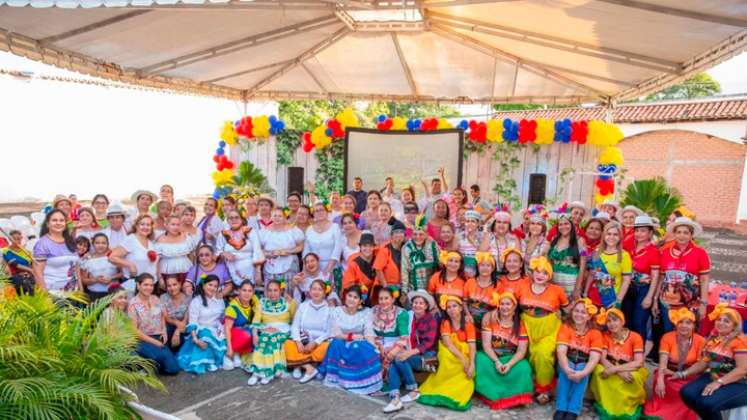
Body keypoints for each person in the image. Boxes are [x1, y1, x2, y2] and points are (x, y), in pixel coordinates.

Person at [679, 304, 747, 420]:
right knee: (686, 393)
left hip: (740, 383)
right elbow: (703, 363)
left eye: (726, 321)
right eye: (719, 319)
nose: (721, 323)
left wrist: (718, 382)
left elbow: (742, 369)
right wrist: (682, 374)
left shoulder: (740, 342)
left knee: (706, 403)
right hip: (716, 375)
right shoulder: (714, 340)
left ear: (734, 326)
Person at [518, 256, 569, 403]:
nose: (541, 275)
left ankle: (544, 389)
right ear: (532, 273)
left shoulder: (557, 290)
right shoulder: (522, 285)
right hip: (526, 326)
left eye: (545, 273)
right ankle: (526, 387)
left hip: (549, 329)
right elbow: (512, 304)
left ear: (550, 275)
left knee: (543, 354)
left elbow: (567, 309)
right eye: (538, 272)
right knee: (526, 354)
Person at [643, 307, 706, 420]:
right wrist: (661, 379)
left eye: (688, 323)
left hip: (689, 375)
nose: (684, 326)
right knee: (659, 379)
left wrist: (683, 374)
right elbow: (663, 362)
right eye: (680, 322)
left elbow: (700, 366)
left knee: (687, 392)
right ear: (675, 324)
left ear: (694, 325)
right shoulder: (667, 337)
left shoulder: (700, 340)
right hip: (669, 374)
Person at [475, 291, 534, 410]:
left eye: (508, 304)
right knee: (480, 359)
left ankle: (514, 397)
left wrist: (509, 364)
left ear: (514, 306)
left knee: (524, 367)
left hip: (510, 358)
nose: (505, 307)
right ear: (498, 306)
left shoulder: (521, 324)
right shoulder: (490, 320)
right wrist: (497, 362)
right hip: (492, 357)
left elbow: (521, 351)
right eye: (502, 304)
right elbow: (486, 346)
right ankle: (491, 394)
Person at [319, 285, 382, 394]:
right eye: (350, 296)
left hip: (357, 343)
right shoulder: (337, 311)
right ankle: (338, 379)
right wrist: (350, 337)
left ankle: (361, 383)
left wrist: (373, 346)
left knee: (361, 346)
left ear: (360, 301)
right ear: (345, 296)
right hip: (342, 341)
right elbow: (335, 333)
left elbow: (368, 332)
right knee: (336, 343)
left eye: (355, 297)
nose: (351, 299)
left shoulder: (366, 312)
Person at [418, 295, 476, 411]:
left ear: (460, 308)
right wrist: (463, 359)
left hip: (464, 352)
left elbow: (472, 345)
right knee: (446, 356)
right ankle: (441, 388)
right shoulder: (445, 323)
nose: (451, 309)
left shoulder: (468, 324)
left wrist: (471, 363)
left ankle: (456, 393)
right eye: (448, 307)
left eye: (454, 306)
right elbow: (448, 344)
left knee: (468, 370)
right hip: (450, 351)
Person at [383, 290, 438, 413]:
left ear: (426, 306)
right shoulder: (408, 316)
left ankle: (413, 389)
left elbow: (427, 343)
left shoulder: (431, 320)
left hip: (427, 357)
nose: (417, 305)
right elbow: (401, 334)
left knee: (399, 358)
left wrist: (409, 352)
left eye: (421, 303)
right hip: (410, 353)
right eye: (415, 302)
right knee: (396, 360)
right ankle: (395, 398)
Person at [591, 307, 648, 419]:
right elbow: (602, 358)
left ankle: (627, 406)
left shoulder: (635, 337)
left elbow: (638, 363)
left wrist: (615, 370)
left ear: (622, 321)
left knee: (634, 376)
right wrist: (616, 371)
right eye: (609, 321)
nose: (612, 324)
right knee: (598, 369)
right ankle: (608, 404)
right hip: (612, 367)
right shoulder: (605, 336)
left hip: (629, 368)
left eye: (615, 320)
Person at [658, 217, 710, 331]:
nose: (682, 236)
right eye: (679, 232)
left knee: (687, 334)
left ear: (691, 235)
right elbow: (661, 278)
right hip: (667, 305)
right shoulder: (665, 253)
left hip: (691, 305)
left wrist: (703, 304)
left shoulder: (700, 253)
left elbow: (704, 280)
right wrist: (655, 301)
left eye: (686, 233)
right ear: (674, 234)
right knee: (668, 333)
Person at [555, 298, 604, 419]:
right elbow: (561, 352)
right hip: (566, 361)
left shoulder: (595, 333)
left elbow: (594, 358)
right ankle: (561, 408)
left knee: (581, 369)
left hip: (584, 365)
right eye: (576, 311)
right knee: (567, 367)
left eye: (583, 312)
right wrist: (566, 368)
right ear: (572, 312)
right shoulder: (565, 327)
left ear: (589, 316)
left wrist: (583, 373)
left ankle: (573, 409)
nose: (579, 314)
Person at [247, 280, 297, 385]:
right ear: (266, 292)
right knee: (264, 337)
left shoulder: (289, 303)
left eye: (275, 290)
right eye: (269, 290)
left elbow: (295, 322)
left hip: (284, 330)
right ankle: (256, 373)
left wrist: (282, 330)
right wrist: (255, 335)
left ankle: (267, 373)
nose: (272, 293)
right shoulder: (261, 303)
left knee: (273, 338)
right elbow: (256, 321)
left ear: (281, 291)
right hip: (266, 329)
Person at [127, 273, 179, 375]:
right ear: (138, 286)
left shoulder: (155, 298)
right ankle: (144, 362)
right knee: (157, 356)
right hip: (143, 339)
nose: (149, 288)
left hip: (158, 335)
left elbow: (162, 316)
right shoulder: (133, 304)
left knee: (173, 369)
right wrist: (156, 343)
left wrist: (164, 330)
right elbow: (135, 331)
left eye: (151, 285)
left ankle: (153, 365)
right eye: (146, 285)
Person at [284, 279, 333, 383]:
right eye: (314, 289)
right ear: (309, 291)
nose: (316, 292)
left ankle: (297, 363)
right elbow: (295, 326)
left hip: (319, 343)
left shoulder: (330, 309)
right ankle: (308, 368)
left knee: (328, 347)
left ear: (325, 293)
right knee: (287, 344)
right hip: (303, 341)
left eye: (320, 289)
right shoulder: (303, 306)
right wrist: (297, 342)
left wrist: (315, 343)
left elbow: (329, 331)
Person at [624, 215, 660, 354]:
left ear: (650, 233)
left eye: (643, 231)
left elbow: (655, 276)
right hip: (628, 287)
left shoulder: (653, 251)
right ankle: (625, 351)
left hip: (643, 290)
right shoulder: (629, 246)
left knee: (639, 322)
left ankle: (638, 354)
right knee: (627, 321)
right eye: (637, 230)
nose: (639, 234)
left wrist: (650, 297)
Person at [177, 274, 227, 374]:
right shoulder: (196, 301)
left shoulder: (220, 300)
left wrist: (222, 329)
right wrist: (195, 339)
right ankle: (206, 362)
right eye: (210, 285)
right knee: (205, 336)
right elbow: (193, 323)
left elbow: (222, 318)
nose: (212, 288)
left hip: (216, 330)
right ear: (204, 285)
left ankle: (212, 359)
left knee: (222, 342)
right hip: (200, 331)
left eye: (215, 286)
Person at [585, 221, 632, 309]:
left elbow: (626, 281)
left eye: (615, 234)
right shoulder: (596, 252)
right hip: (592, 298)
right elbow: (591, 274)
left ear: (620, 237)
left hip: (611, 300)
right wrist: (585, 292)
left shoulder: (624, 255)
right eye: (609, 234)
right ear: (604, 236)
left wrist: (619, 300)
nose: (611, 237)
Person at [32, 209, 80, 295]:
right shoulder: (42, 244)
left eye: (61, 220)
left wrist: (81, 290)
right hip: (53, 295)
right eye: (54, 220)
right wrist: (45, 296)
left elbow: (76, 268)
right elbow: (37, 272)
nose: (58, 223)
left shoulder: (70, 242)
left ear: (65, 224)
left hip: (74, 294)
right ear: (47, 224)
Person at [372, 287, 410, 391]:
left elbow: (404, 337)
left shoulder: (401, 313)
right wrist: (378, 345)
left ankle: (391, 385)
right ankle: (371, 383)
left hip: (396, 343)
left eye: (386, 298)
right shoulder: (374, 310)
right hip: (376, 342)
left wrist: (393, 350)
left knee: (391, 356)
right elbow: (369, 332)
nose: (383, 301)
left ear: (393, 299)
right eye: (380, 299)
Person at [110, 214, 158, 292]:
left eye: (148, 225)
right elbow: (112, 257)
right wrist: (130, 265)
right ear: (136, 226)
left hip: (151, 284)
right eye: (142, 224)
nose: (145, 227)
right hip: (134, 284)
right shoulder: (130, 240)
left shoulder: (151, 242)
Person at [217, 210, 264, 287]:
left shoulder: (250, 231)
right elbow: (218, 251)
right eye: (231, 218)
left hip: (249, 270)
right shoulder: (223, 234)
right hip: (230, 269)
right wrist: (224, 253)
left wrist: (258, 272)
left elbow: (257, 250)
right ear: (227, 221)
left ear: (242, 219)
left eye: (236, 217)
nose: (234, 220)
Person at [260, 207, 304, 289]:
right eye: (275, 215)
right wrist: (269, 254)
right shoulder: (264, 232)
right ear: (271, 217)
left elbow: (300, 246)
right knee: (272, 290)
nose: (277, 218)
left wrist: (288, 251)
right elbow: (259, 249)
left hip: (289, 265)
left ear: (284, 217)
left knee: (289, 290)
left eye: (280, 216)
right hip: (270, 265)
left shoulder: (293, 230)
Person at [547, 215, 586, 300]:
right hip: (554, 282)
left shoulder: (580, 241)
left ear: (571, 224)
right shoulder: (554, 239)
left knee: (569, 309)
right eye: (560, 224)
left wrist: (577, 287)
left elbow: (582, 266)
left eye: (566, 223)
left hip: (571, 284)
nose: (563, 226)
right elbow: (548, 260)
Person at [223, 280, 258, 370]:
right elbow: (227, 329)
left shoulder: (254, 300)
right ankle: (235, 351)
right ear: (238, 291)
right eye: (244, 290)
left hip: (248, 332)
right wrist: (229, 349)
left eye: (250, 291)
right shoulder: (233, 307)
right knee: (248, 334)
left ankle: (242, 354)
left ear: (253, 292)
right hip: (235, 335)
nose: (247, 293)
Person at [401, 216, 439, 295]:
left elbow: (440, 264)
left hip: (432, 289)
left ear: (426, 234)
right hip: (414, 289)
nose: (418, 237)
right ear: (411, 235)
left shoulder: (433, 245)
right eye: (415, 234)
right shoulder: (407, 248)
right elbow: (404, 271)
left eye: (421, 234)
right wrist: (404, 292)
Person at [303, 202, 343, 280]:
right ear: (313, 214)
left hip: (332, 266)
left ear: (327, 212)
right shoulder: (309, 229)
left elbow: (337, 248)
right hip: (313, 268)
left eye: (321, 210)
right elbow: (306, 251)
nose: (319, 212)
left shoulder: (335, 227)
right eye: (316, 211)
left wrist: (328, 269)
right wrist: (307, 268)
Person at [156, 215, 200, 285]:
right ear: (166, 225)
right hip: (167, 273)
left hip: (186, 271)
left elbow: (192, 256)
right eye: (173, 224)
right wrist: (160, 278)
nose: (176, 227)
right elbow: (156, 262)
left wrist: (194, 272)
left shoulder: (187, 238)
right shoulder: (160, 240)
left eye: (178, 225)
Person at [81, 233, 122, 300]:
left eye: (103, 243)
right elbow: (84, 280)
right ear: (93, 244)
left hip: (113, 294)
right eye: (97, 243)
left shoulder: (114, 257)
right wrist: (95, 280)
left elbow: (123, 274)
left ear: (107, 244)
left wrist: (111, 278)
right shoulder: (87, 259)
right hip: (94, 294)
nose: (100, 245)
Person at [463, 252, 500, 327]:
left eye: (488, 265)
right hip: (470, 320)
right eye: (482, 265)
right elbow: (464, 302)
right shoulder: (470, 282)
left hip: (488, 321)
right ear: (478, 267)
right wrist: (467, 315)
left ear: (492, 269)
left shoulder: (498, 285)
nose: (485, 268)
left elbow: (500, 306)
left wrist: (490, 314)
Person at [373, 220, 406, 297]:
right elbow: (378, 269)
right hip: (385, 287)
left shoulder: (406, 248)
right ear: (391, 235)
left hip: (400, 288)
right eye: (396, 232)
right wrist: (386, 287)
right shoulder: (385, 249)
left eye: (401, 232)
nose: (399, 234)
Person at [342, 232, 378, 303]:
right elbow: (348, 284)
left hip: (374, 294)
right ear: (360, 247)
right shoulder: (354, 263)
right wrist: (360, 288)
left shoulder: (378, 259)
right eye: (364, 246)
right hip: (358, 295)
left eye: (370, 246)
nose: (367, 248)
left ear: (374, 247)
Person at [161, 275, 191, 353]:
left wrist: (177, 331)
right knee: (166, 333)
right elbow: (166, 317)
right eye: (169, 286)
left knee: (181, 337)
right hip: (169, 326)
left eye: (174, 284)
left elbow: (186, 320)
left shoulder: (188, 297)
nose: (172, 288)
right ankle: (167, 356)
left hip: (185, 326)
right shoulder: (163, 297)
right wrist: (176, 323)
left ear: (180, 284)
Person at [2, 229, 35, 295]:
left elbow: (33, 264)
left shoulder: (27, 251)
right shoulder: (6, 251)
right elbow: (15, 264)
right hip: (15, 276)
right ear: (10, 239)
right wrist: (31, 270)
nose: (17, 241)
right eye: (14, 239)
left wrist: (32, 272)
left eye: (18, 239)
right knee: (25, 284)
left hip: (29, 274)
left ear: (21, 238)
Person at [457, 210, 483, 277]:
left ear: (478, 224)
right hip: (462, 273)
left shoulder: (483, 237)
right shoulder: (459, 236)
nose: (470, 223)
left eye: (473, 221)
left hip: (478, 273)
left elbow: (483, 253)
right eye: (467, 221)